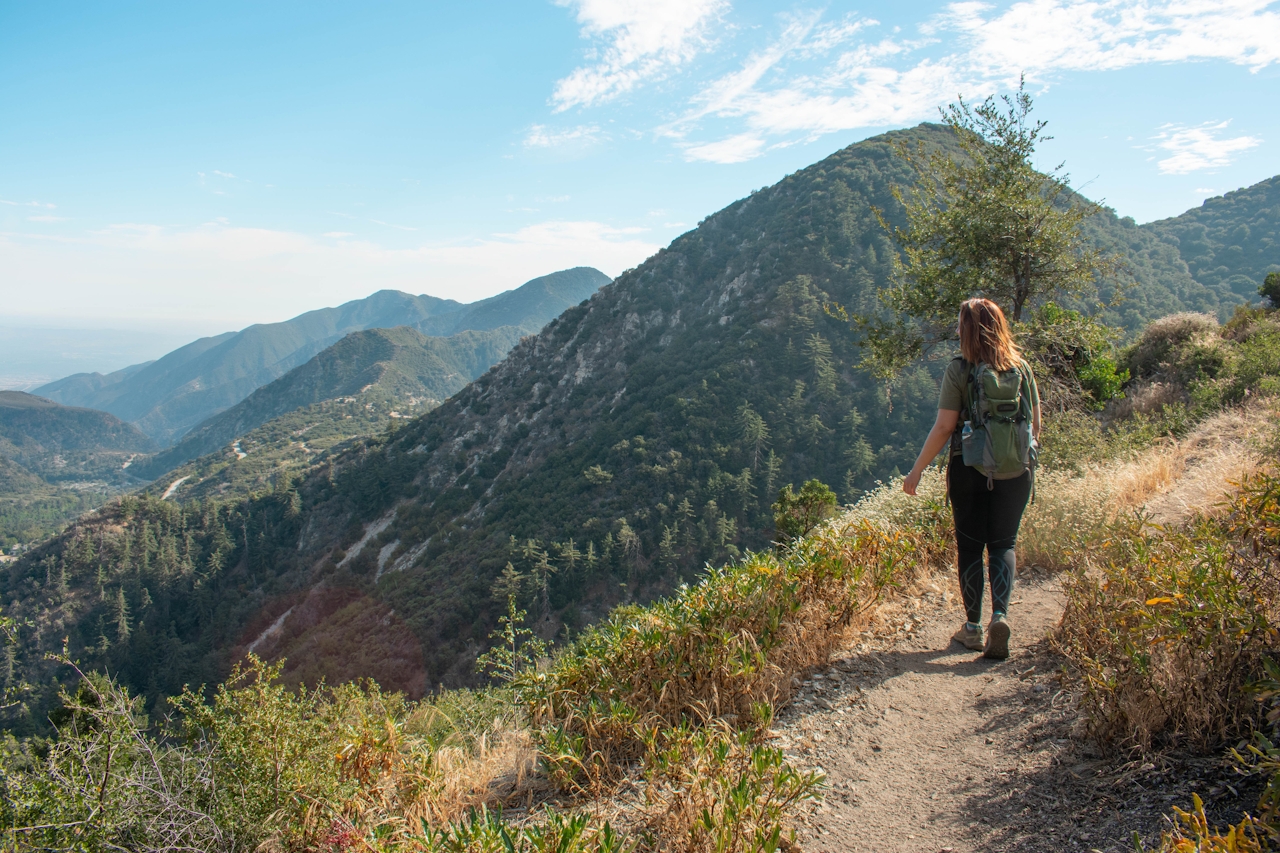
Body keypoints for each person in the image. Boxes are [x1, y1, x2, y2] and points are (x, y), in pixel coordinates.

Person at [901, 298, 1040, 660]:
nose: (958, 330)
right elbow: (1035, 426)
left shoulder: (960, 370)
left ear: (969, 331)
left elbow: (946, 426)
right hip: (1016, 471)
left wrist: (917, 469)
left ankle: (974, 628)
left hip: (969, 470)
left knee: (970, 548)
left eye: (960, 325)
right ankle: (1001, 616)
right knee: (1003, 544)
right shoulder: (1021, 369)